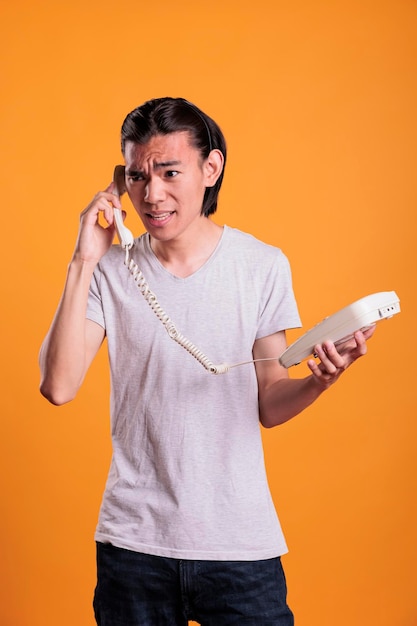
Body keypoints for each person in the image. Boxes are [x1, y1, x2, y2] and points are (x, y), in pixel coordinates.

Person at [39, 97, 374, 626]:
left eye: (170, 172)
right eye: (136, 176)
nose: (152, 194)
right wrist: (83, 259)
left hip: (240, 545)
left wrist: (321, 381)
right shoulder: (108, 270)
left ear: (210, 168)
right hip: (134, 548)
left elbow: (269, 400)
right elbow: (58, 386)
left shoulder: (262, 266)